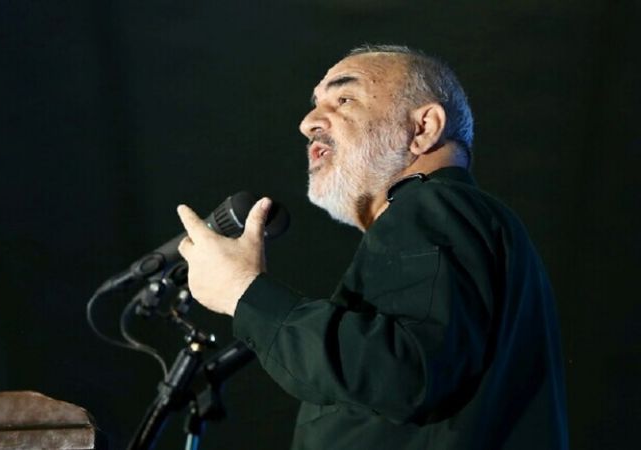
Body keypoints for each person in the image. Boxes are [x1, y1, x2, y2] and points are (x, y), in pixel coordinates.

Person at [176, 45, 568, 450]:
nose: (308, 123)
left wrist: (242, 290)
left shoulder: (433, 203)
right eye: (315, 104)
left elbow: (404, 373)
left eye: (344, 99)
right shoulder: (463, 222)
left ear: (423, 128)